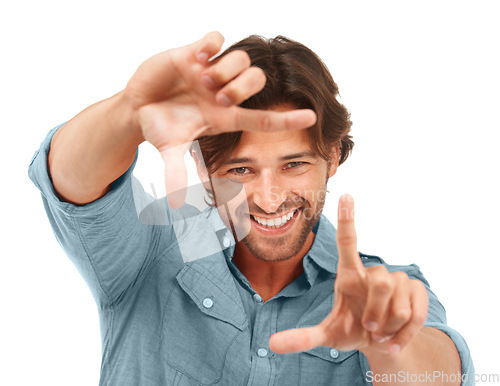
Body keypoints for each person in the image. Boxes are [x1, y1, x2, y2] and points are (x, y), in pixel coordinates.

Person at [29, 32, 473, 385]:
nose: (269, 197)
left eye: (294, 164)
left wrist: (386, 342)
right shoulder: (150, 252)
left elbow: (438, 376)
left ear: (333, 157)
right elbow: (70, 182)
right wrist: (129, 111)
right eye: (240, 169)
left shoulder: (383, 292)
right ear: (203, 168)